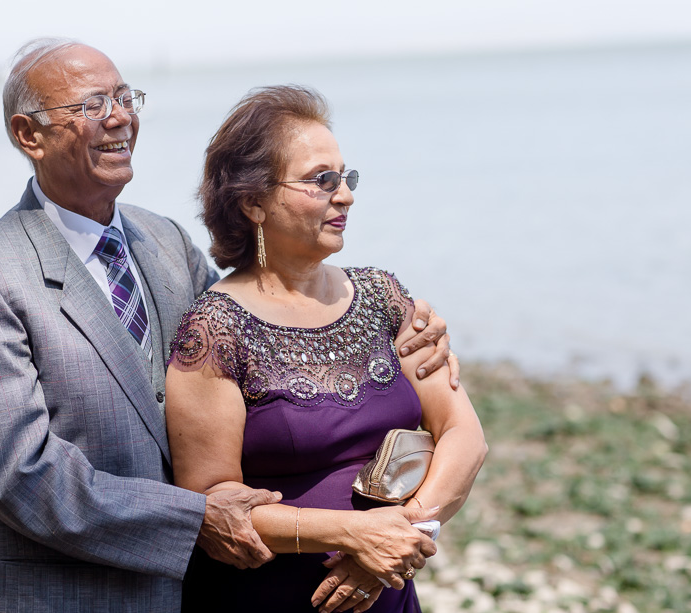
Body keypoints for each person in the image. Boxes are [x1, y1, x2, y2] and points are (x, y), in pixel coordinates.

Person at [0, 40, 456, 612]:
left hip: (197, 592)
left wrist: (396, 328)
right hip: (68, 594)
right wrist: (197, 516)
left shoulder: (165, 242)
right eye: (91, 105)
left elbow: (260, 335)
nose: (120, 116)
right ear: (28, 135)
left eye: (125, 96)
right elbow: (22, 475)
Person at [165, 85, 487, 613]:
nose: (346, 195)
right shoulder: (214, 328)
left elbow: (463, 433)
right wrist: (355, 534)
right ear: (253, 202)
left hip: (385, 586)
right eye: (322, 180)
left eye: (346, 177)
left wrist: (401, 535)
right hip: (270, 597)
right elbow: (213, 506)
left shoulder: (384, 296)